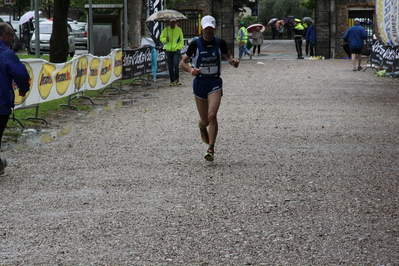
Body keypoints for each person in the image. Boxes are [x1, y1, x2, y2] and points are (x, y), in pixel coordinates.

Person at [179, 15, 239, 162]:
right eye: (206, 29)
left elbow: (229, 57)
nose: (208, 31)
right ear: (202, 28)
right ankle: (201, 126)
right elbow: (182, 63)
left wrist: (233, 62)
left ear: (214, 28)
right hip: (199, 83)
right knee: (205, 121)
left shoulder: (220, 43)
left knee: (212, 115)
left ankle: (211, 148)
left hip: (214, 82)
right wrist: (190, 70)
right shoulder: (195, 44)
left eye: (211, 28)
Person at [0, 22, 30, 175]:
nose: (13, 39)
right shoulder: (6, 54)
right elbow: (21, 74)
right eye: (11, 35)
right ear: (4, 35)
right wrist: (23, 89)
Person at [160, 19, 184, 86]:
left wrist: (179, 47)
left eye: (174, 22)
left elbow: (181, 39)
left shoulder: (178, 30)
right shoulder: (166, 30)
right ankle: (172, 80)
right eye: (171, 22)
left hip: (176, 50)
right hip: (168, 50)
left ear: (175, 22)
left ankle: (177, 79)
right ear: (169, 23)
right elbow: (161, 38)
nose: (172, 23)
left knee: (176, 64)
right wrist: (165, 39)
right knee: (170, 66)